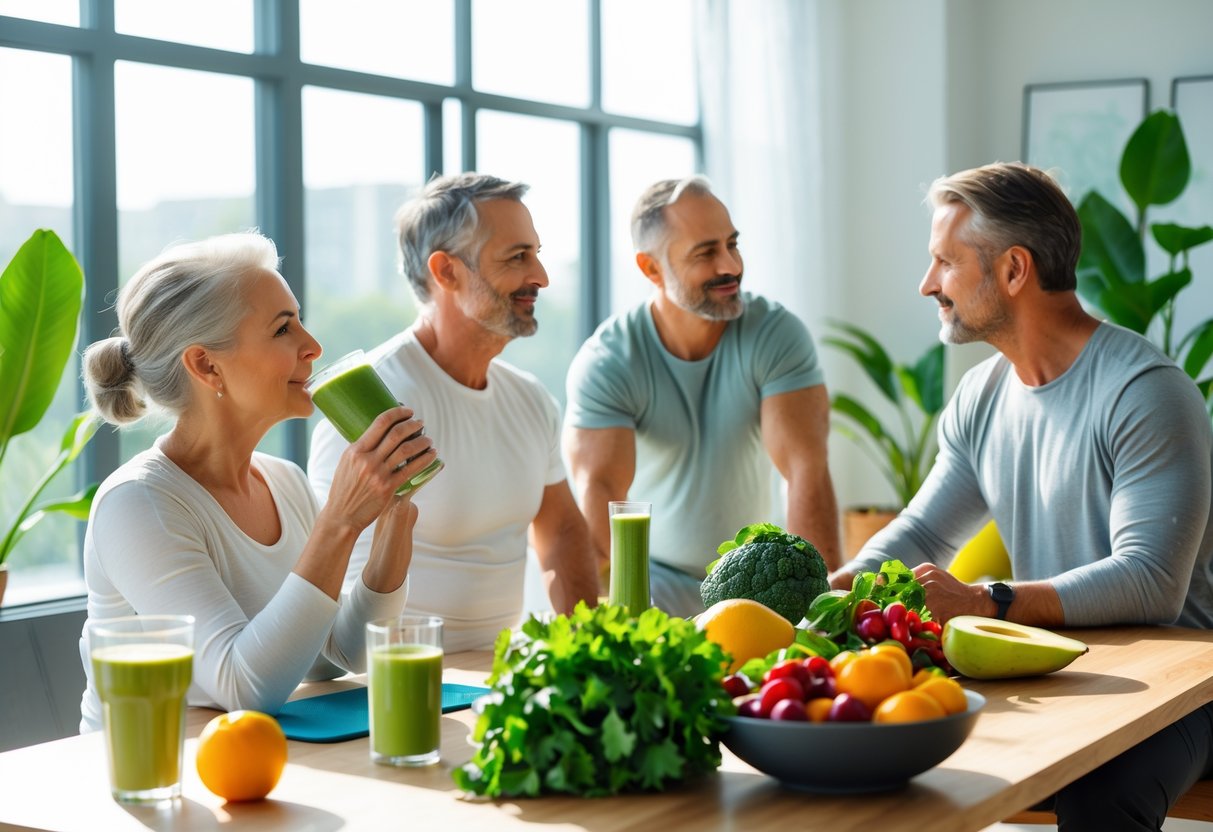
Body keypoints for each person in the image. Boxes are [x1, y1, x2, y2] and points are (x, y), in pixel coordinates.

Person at [831, 162, 1213, 830]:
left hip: (1182, 687)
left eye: (945, 263)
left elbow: (1151, 583)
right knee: (874, 748)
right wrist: (840, 587)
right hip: (1056, 672)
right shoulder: (982, 395)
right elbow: (919, 535)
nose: (927, 285)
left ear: (1013, 270)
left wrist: (984, 601)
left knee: (1099, 794)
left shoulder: (1144, 392)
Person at [77, 232, 433, 732]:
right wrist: (339, 522)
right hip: (151, 780)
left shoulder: (283, 482)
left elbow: (339, 653)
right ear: (206, 365)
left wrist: (396, 511)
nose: (313, 346)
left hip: (256, 768)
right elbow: (243, 687)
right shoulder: (138, 505)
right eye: (283, 329)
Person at [308, 172, 599, 653]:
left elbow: (564, 534)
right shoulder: (371, 402)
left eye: (537, 254)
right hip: (402, 680)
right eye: (517, 257)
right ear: (446, 272)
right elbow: (336, 602)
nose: (541, 277)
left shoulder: (529, 399)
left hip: (500, 679)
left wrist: (586, 653)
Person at [563, 175, 842, 618]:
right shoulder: (610, 359)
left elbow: (805, 469)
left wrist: (819, 613)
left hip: (755, 582)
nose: (730, 265)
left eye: (733, 244)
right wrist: (617, 623)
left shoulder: (775, 334)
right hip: (655, 585)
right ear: (651, 269)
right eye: (706, 253)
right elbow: (601, 495)